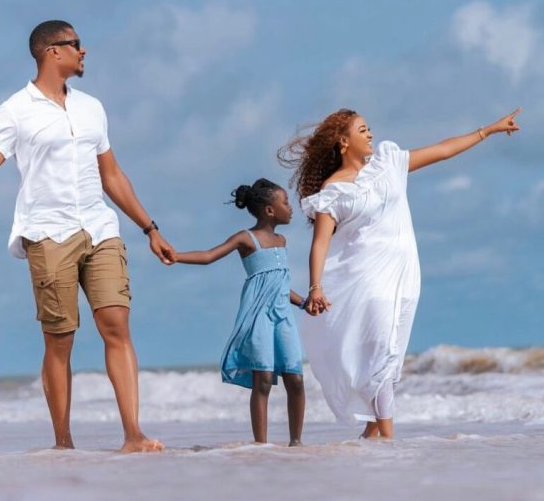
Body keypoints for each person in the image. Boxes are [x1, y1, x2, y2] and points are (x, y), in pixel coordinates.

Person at [0, 20, 175, 453]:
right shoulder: (13, 111)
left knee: (116, 325)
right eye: (77, 45)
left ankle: (133, 434)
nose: (85, 52)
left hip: (100, 229)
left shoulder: (92, 107)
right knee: (60, 341)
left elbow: (111, 174)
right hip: (47, 233)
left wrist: (149, 227)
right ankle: (64, 441)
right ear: (52, 52)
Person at [278, 107, 521, 439]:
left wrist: (488, 130)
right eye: (362, 130)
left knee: (390, 361)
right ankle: (390, 441)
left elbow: (442, 150)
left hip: (405, 279)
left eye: (369, 129)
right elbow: (320, 244)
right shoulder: (333, 192)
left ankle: (371, 438)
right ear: (343, 141)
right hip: (367, 281)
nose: (370, 134)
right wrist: (316, 286)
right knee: (383, 355)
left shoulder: (388, 164)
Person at [174, 179, 307, 446]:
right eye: (285, 202)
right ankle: (261, 444)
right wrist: (176, 256)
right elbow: (209, 255)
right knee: (264, 379)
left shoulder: (283, 240)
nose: (291, 207)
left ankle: (296, 442)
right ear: (270, 210)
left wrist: (304, 302)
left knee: (296, 379)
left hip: (284, 319)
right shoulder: (246, 239)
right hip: (258, 318)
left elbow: (280, 285)